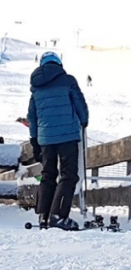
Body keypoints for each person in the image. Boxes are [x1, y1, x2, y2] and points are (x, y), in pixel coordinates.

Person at [27, 52, 89, 230]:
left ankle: (43, 215)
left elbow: (32, 116)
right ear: (59, 64)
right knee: (69, 175)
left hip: (45, 138)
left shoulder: (36, 87)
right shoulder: (68, 80)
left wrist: (34, 139)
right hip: (67, 135)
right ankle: (59, 216)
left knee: (48, 174)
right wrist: (84, 121)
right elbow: (79, 103)